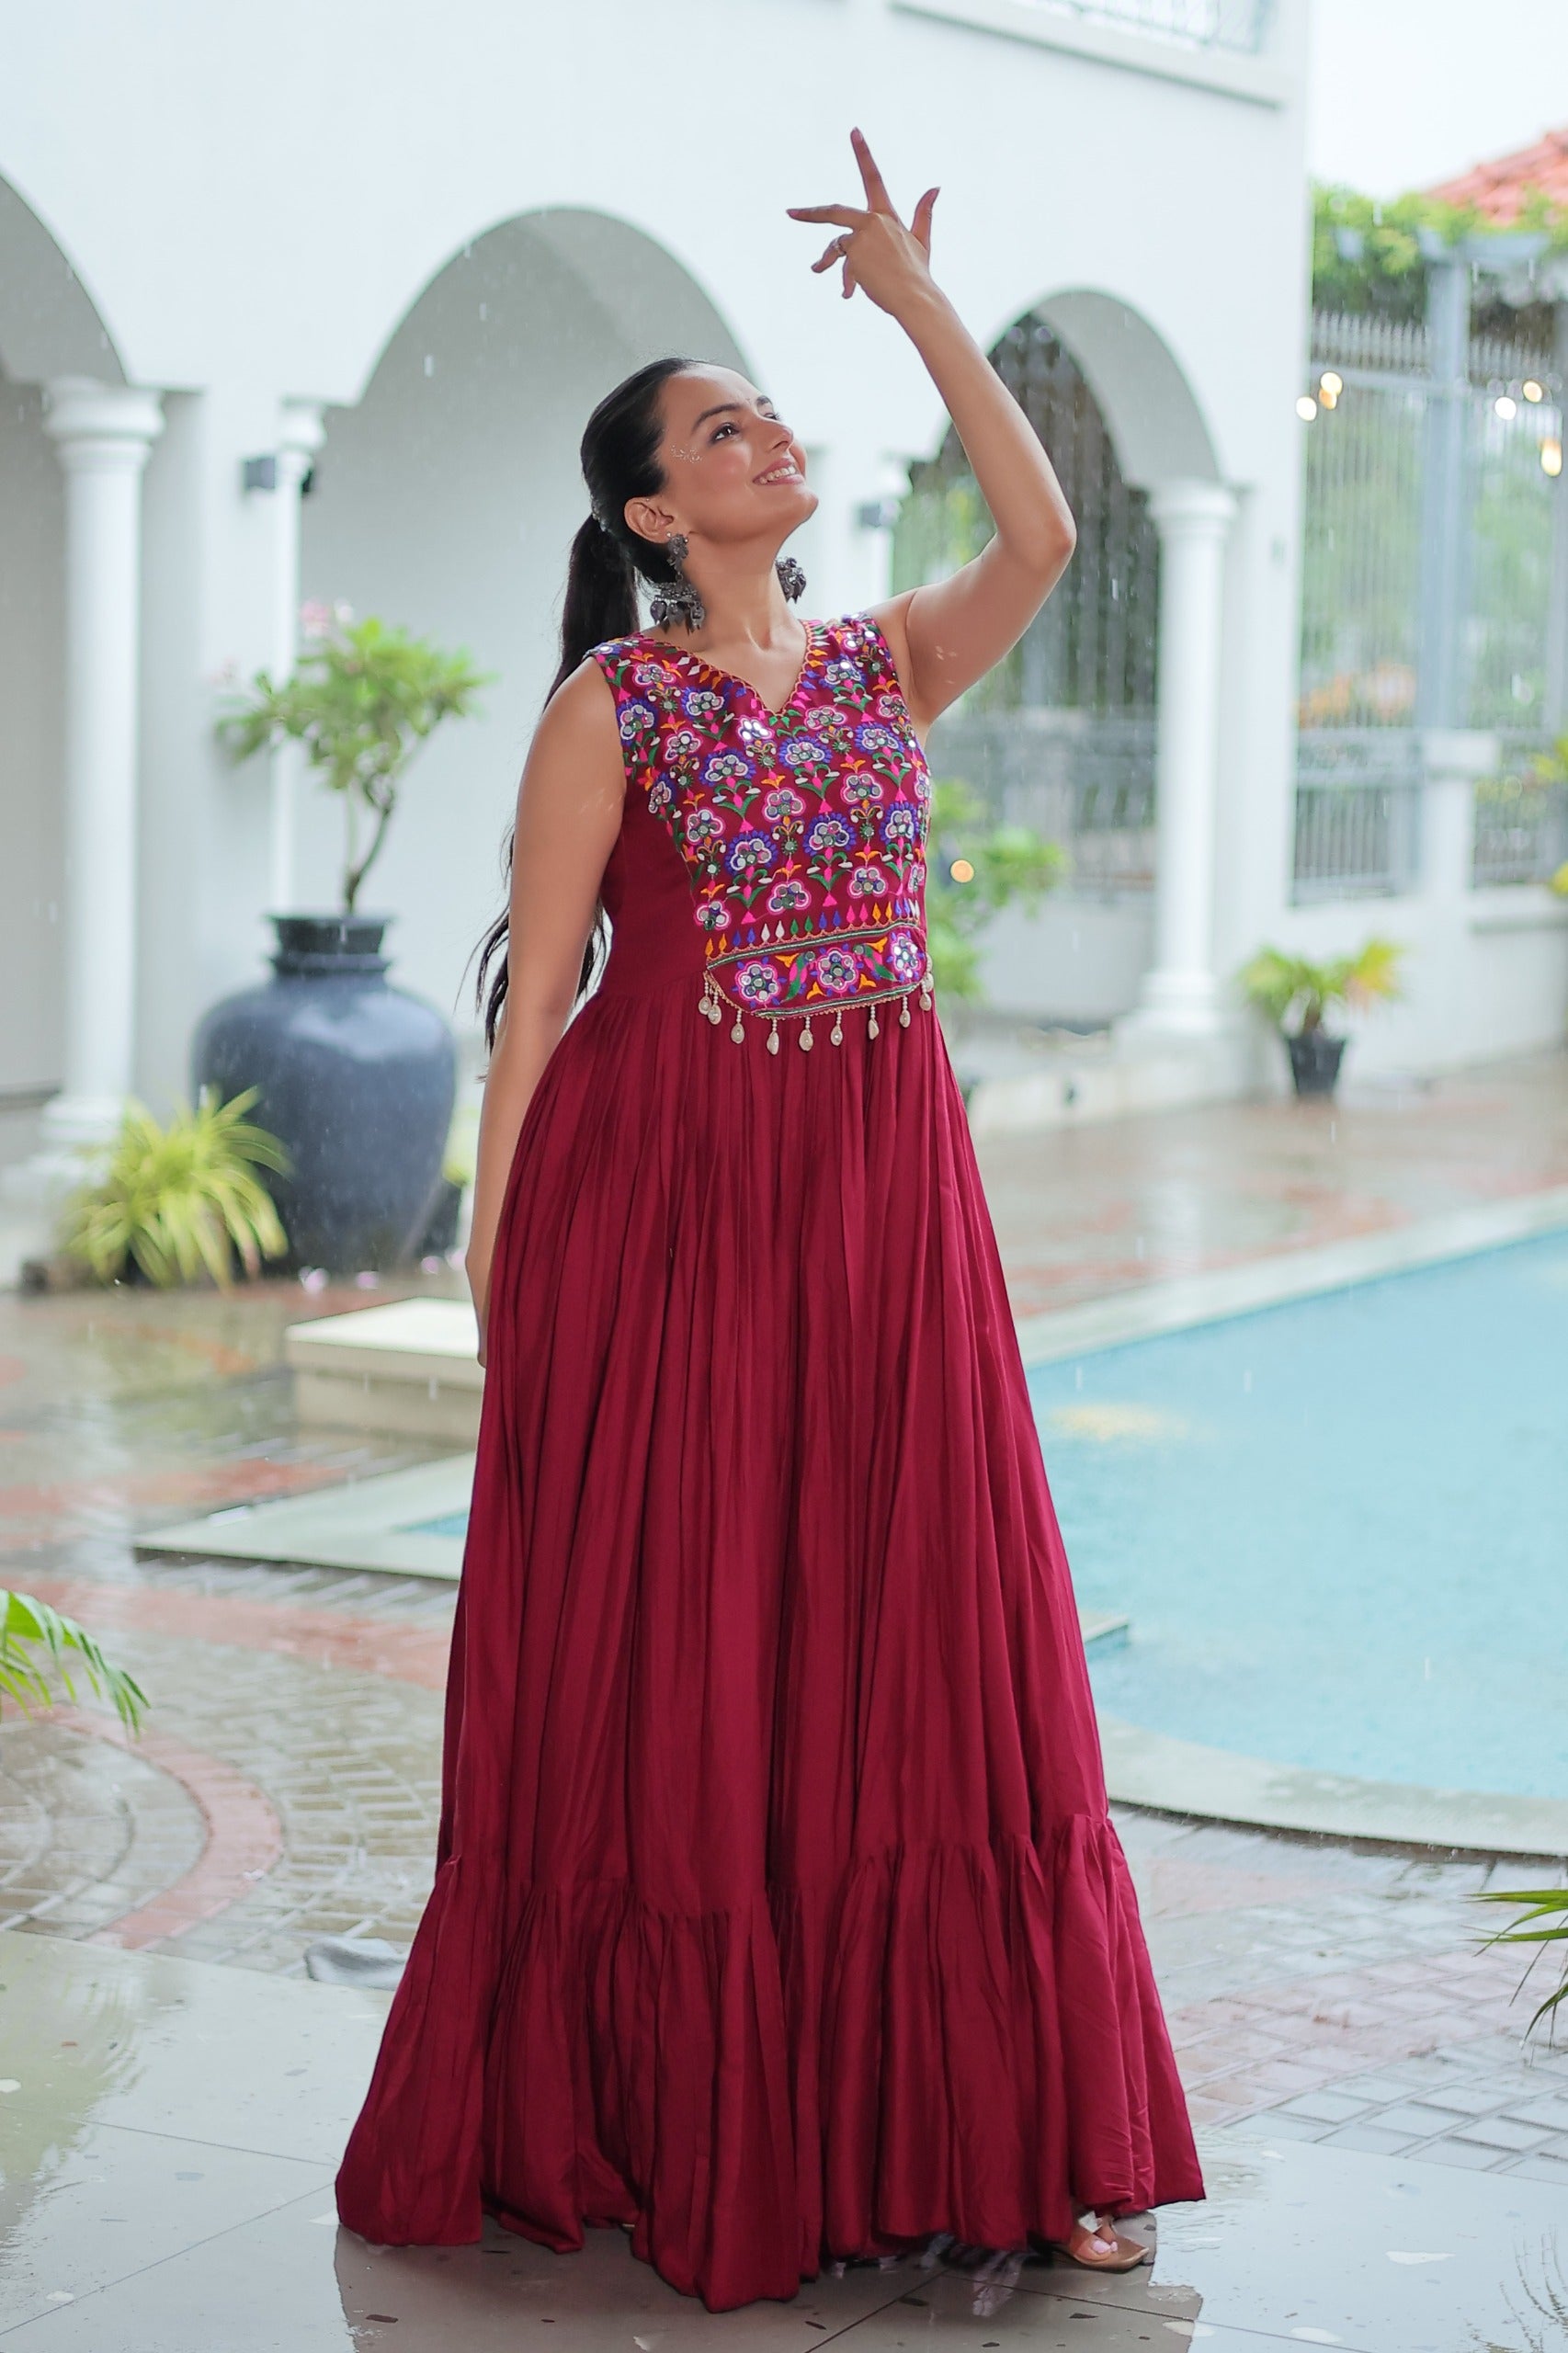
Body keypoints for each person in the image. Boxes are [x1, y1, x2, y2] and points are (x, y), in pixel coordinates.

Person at [335, 129, 1203, 2313]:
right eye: (720, 428)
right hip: (673, 1210)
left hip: (884, 1205)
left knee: (932, 1643)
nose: (765, 436)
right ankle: (707, 2127)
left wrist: (918, 306)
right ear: (654, 513)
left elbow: (1045, 530)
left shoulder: (890, 655)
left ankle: (1008, 2124)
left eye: (767, 412)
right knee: (707, 1652)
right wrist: (496, 1258)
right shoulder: (608, 706)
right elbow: (541, 996)